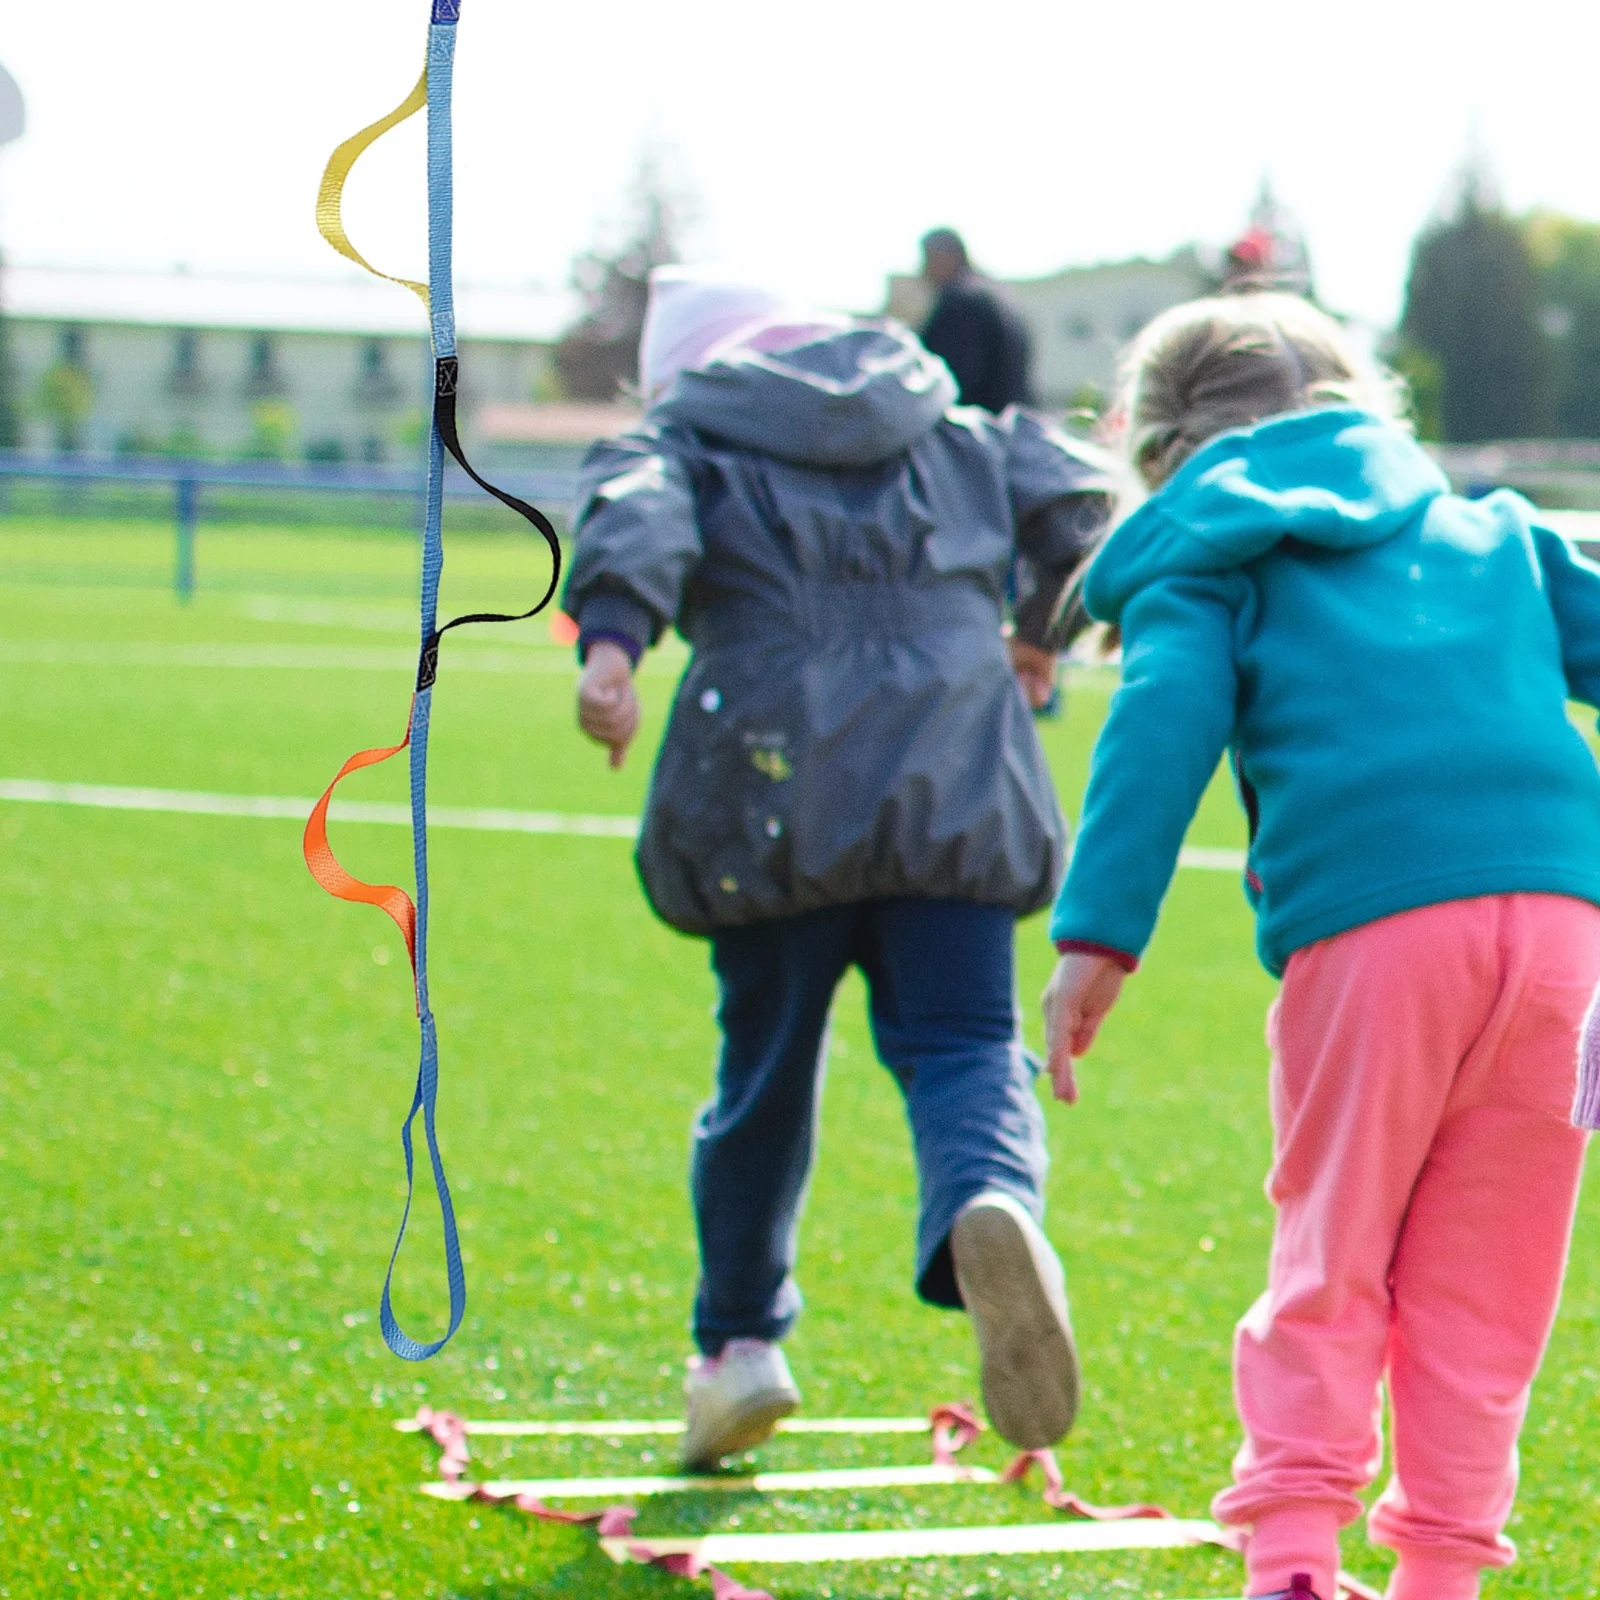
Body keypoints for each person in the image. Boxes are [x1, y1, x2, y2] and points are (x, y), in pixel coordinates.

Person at [1038, 292, 1600, 1600]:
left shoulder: (1206, 551)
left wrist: (1097, 937)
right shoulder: (1495, 530)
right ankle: (1444, 1575)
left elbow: (1164, 716)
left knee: (1334, 1254)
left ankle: (1294, 1557)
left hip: (1379, 929)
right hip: (1568, 928)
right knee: (1492, 1280)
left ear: (1159, 450)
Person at [564, 265, 1112, 1471]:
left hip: (771, 790)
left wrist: (612, 642)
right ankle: (994, 1200)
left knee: (763, 1070)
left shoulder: (690, 433)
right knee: (967, 1043)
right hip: (959, 776)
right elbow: (1080, 502)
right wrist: (1038, 626)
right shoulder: (947, 420)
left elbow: (638, 509)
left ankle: (740, 1346)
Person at [918, 227, 1035, 414]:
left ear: (948, 256)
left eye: (927, 259)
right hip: (1013, 425)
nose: (923, 270)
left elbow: (952, 380)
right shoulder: (997, 295)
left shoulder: (962, 301)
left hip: (978, 430)